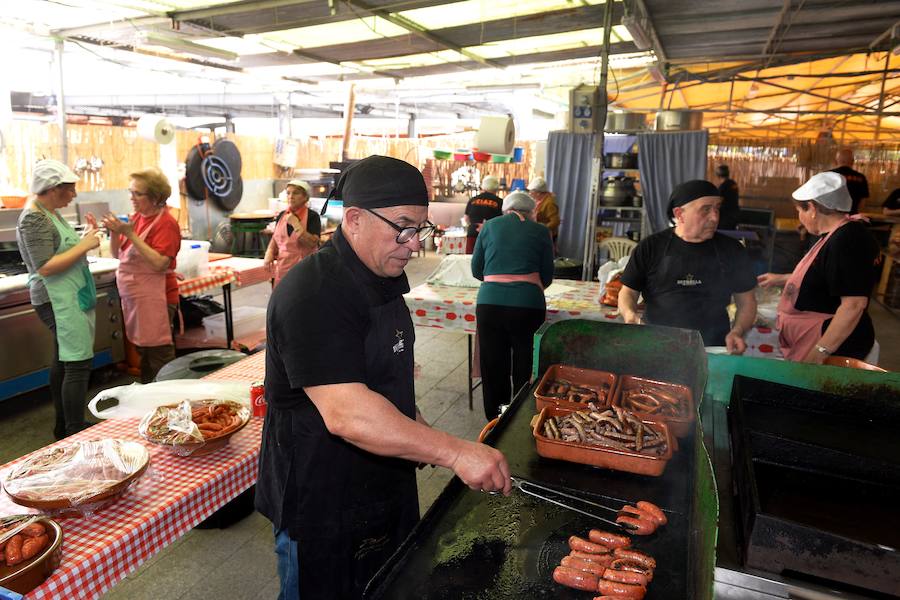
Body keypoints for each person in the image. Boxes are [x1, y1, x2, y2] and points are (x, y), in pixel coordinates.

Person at [256, 155, 511, 600]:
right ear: (353, 219)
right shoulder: (314, 293)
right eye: (404, 227)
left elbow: (385, 384)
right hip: (321, 498)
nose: (415, 244)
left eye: (421, 228)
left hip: (381, 491)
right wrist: (454, 452)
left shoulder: (382, 276)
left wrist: (424, 439)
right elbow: (348, 415)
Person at [618, 180, 758, 353]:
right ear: (679, 214)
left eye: (717, 208)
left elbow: (747, 302)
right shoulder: (651, 247)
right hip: (655, 345)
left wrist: (737, 331)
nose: (715, 217)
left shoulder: (732, 250)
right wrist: (630, 315)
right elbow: (628, 292)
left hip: (712, 348)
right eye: (705, 209)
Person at [757, 172, 880, 363]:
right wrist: (782, 279)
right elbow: (828, 275)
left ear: (813, 208)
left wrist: (820, 352)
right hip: (817, 337)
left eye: (800, 211)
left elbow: (854, 305)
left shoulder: (847, 239)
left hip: (835, 345)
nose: (799, 219)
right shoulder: (834, 234)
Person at [16, 160, 100, 439]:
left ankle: (64, 426)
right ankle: (75, 430)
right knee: (77, 362)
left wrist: (85, 238)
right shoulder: (34, 218)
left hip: (68, 294)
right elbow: (46, 266)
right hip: (55, 299)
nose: (74, 195)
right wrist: (86, 246)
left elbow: (60, 249)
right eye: (70, 189)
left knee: (64, 361)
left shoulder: (49, 212)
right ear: (53, 189)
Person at [471, 191, 554, 420]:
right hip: (529, 305)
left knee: (493, 363)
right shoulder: (541, 230)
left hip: (489, 304)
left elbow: (477, 270)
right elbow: (547, 275)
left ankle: (497, 418)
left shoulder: (489, 227)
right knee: (525, 363)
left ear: (505, 209)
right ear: (531, 212)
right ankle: (520, 416)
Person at [101, 168, 181, 384]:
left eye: (137, 193)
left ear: (155, 197)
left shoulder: (166, 224)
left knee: (159, 357)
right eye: (130, 192)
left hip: (158, 299)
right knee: (144, 353)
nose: (131, 198)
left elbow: (159, 263)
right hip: (136, 299)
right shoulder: (136, 219)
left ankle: (170, 403)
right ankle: (150, 400)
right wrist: (116, 232)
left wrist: (130, 234)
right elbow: (118, 254)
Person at [264, 179, 321, 286]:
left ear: (305, 197)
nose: (291, 196)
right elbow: (275, 238)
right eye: (288, 193)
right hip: (283, 268)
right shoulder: (281, 215)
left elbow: (312, 243)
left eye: (295, 193)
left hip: (304, 269)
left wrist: (296, 224)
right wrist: (269, 253)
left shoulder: (312, 216)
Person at [463, 175, 503, 254]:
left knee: (470, 259)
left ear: (483, 186)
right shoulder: (500, 202)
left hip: (473, 233)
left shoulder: (473, 200)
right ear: (496, 188)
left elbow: (466, 218)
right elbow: (502, 221)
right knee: (488, 259)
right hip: (492, 235)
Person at [830, 148, 869, 214]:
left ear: (836, 161)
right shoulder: (860, 177)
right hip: (851, 215)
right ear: (852, 161)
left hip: (831, 216)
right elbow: (863, 202)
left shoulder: (828, 175)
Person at [527, 176, 560, 247]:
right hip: (540, 232)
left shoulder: (549, 203)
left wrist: (542, 228)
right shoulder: (539, 200)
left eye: (532, 192)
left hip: (548, 234)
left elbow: (555, 221)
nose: (530, 194)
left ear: (539, 193)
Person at [714, 164, 740, 230]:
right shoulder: (733, 183)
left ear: (718, 176)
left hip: (725, 216)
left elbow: (719, 201)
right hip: (734, 213)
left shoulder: (723, 187)